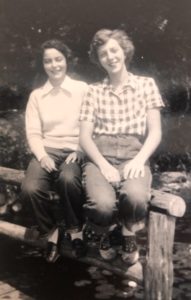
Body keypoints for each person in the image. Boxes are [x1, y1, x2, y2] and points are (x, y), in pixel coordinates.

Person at [80, 29, 164, 264]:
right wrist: (104, 165)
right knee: (102, 205)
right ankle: (105, 232)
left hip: (134, 153)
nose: (110, 57)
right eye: (103, 53)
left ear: (124, 51)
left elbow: (155, 131)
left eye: (114, 50)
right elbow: (85, 137)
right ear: (98, 60)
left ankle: (128, 232)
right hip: (100, 154)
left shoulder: (146, 84)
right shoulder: (93, 91)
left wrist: (138, 161)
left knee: (136, 196)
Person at [21, 39, 88, 261]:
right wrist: (41, 155)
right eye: (48, 61)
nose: (54, 65)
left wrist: (80, 149)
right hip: (47, 149)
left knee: (68, 180)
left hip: (74, 150)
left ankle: (75, 229)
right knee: (30, 189)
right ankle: (52, 231)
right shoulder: (37, 96)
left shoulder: (82, 89)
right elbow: (33, 132)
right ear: (43, 65)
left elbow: (91, 125)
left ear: (66, 60)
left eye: (58, 59)